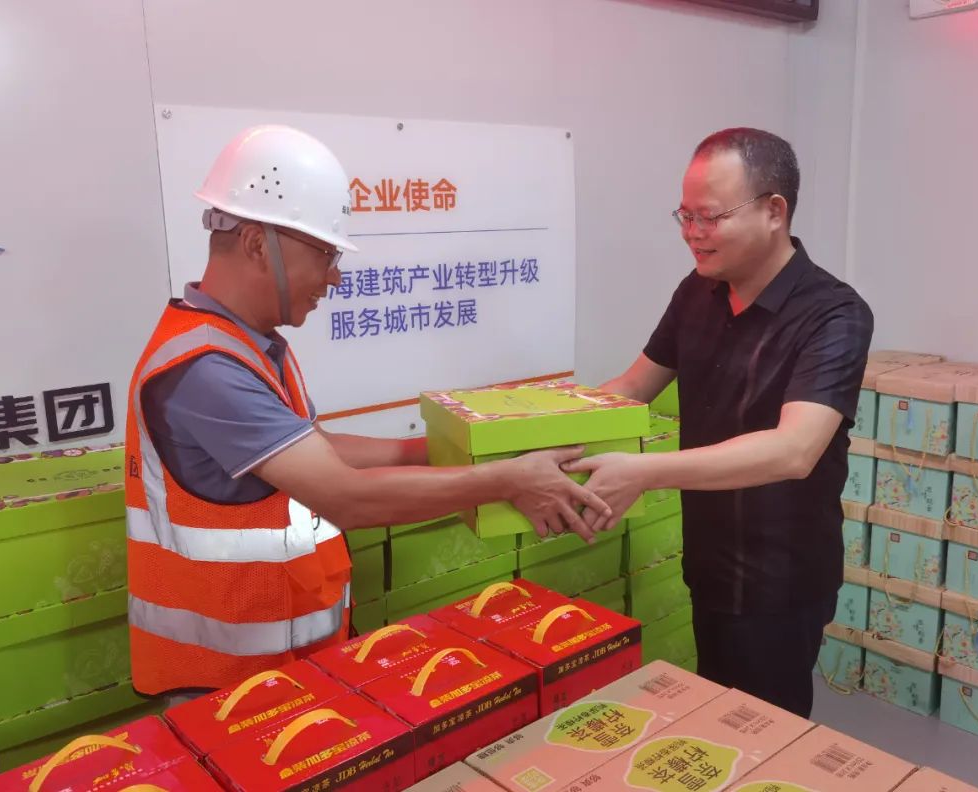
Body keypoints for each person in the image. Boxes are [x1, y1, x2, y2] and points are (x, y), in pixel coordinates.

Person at [124, 124, 612, 699]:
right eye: (325, 254)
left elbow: (314, 449)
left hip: (283, 671)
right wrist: (507, 479)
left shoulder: (246, 344)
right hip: (226, 691)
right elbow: (345, 498)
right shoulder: (207, 370)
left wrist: (442, 450)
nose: (334, 276)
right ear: (257, 244)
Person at [568, 128, 873, 718]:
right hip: (708, 559)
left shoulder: (835, 314)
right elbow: (632, 387)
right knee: (714, 720)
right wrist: (533, 425)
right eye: (685, 216)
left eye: (709, 216)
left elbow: (794, 450)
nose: (692, 233)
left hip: (781, 579)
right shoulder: (698, 290)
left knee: (765, 732)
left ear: (774, 211)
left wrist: (643, 472)